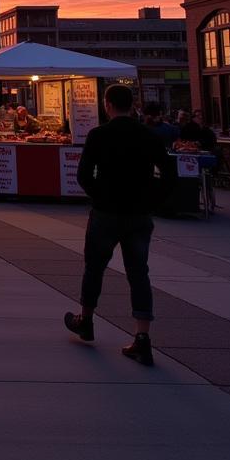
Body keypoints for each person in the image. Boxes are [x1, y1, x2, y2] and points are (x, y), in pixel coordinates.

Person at [64, 84, 176, 366]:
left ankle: (86, 320)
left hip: (106, 212)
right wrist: (152, 200)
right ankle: (142, 336)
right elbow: (169, 174)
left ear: (108, 104)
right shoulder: (147, 135)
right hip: (139, 214)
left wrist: (100, 195)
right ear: (132, 104)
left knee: (94, 267)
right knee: (139, 273)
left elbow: (84, 175)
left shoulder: (99, 135)